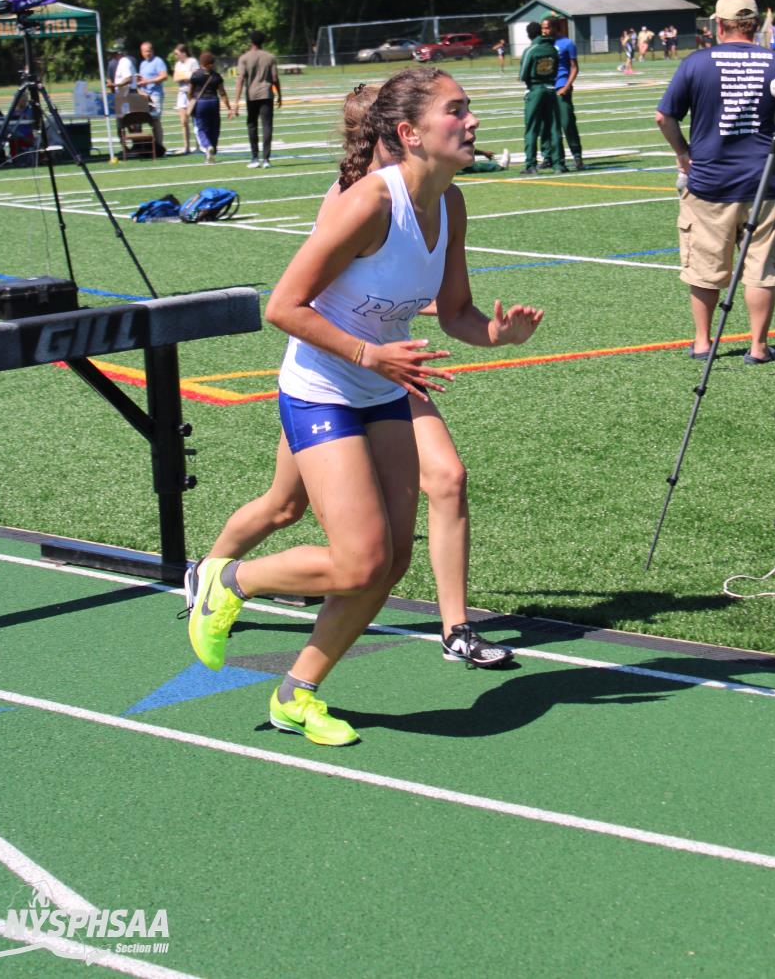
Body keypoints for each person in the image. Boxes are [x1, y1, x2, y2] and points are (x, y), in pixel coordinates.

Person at [187, 69, 544, 746]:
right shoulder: (369, 203)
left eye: (469, 109)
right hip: (322, 387)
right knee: (358, 561)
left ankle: (296, 695)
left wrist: (499, 334)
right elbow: (281, 306)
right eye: (456, 110)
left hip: (381, 388)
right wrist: (367, 354)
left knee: (391, 562)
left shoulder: (452, 203)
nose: (472, 121)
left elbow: (457, 313)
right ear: (411, 133)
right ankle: (229, 579)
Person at [655, 0, 775, 365]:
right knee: (761, 269)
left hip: (710, 182)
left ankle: (703, 341)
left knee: (705, 267)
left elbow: (664, 117)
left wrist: (682, 152)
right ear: (753, 25)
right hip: (766, 182)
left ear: (719, 25)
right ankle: (758, 346)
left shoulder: (696, 63)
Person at [519, 21, 564, 175]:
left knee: (532, 128)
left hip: (535, 90)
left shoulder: (531, 50)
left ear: (529, 35)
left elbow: (523, 74)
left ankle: (531, 164)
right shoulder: (553, 49)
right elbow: (556, 69)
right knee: (554, 128)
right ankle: (558, 164)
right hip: (551, 89)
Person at [233, 30, 282, 168]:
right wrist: (280, 95)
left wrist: (236, 101)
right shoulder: (270, 57)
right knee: (267, 126)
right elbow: (275, 78)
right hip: (266, 94)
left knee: (252, 125)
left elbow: (240, 79)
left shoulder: (244, 58)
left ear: (251, 41)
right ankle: (266, 159)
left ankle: (254, 158)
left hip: (251, 95)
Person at [541, 14, 584, 170]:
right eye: (542, 28)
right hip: (546, 89)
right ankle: (548, 157)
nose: (544, 31)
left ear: (555, 27)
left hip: (561, 87)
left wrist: (566, 86)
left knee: (567, 123)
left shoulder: (567, 43)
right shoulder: (543, 44)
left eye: (547, 28)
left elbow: (574, 67)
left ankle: (577, 156)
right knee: (547, 125)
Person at [188, 50, 230, 163]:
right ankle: (212, 151)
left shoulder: (196, 75)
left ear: (201, 62)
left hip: (201, 103)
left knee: (201, 128)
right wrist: (229, 108)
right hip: (214, 102)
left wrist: (191, 101)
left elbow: (190, 92)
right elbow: (222, 93)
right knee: (214, 128)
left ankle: (207, 146)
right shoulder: (216, 76)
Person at [136, 41, 168, 154]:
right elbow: (142, 79)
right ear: (141, 52)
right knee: (140, 120)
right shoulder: (142, 64)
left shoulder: (158, 61)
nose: (147, 53)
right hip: (144, 95)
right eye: (145, 52)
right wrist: (139, 83)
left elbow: (164, 76)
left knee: (155, 120)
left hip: (155, 94)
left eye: (149, 51)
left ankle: (159, 147)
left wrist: (148, 81)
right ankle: (141, 146)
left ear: (152, 51)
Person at [172, 44, 199, 154]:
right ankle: (186, 147)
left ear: (184, 53)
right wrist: (185, 76)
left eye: (177, 54)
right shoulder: (178, 64)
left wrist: (183, 76)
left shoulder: (192, 61)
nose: (176, 56)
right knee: (183, 121)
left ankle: (199, 146)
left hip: (192, 93)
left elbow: (195, 76)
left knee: (196, 120)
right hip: (182, 93)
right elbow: (175, 78)